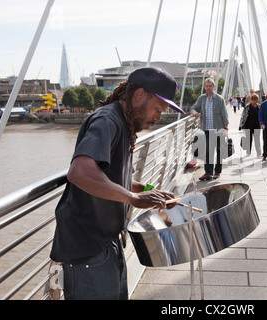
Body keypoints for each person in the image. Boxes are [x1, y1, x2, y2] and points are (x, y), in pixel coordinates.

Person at [49, 67, 185, 300]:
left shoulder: (123, 122)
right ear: (140, 95)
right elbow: (81, 172)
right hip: (87, 247)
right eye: (158, 109)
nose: (158, 117)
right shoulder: (107, 120)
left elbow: (111, 176)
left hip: (106, 241)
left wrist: (147, 191)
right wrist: (133, 199)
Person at [191, 78, 229, 181]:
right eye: (206, 86)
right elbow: (193, 108)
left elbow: (224, 114)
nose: (208, 88)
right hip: (206, 129)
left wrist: (226, 128)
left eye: (210, 86)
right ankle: (208, 172)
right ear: (205, 87)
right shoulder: (201, 98)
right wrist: (195, 113)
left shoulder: (219, 99)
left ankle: (217, 171)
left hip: (218, 128)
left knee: (219, 151)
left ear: (213, 87)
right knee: (208, 151)